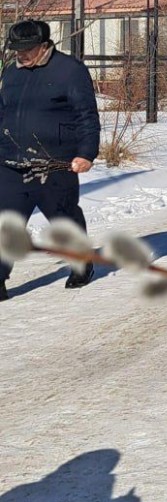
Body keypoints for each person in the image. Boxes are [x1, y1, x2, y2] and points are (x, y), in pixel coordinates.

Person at [0, 20, 101, 301]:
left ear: (44, 46)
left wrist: (86, 153)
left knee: (64, 218)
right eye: (17, 49)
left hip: (54, 163)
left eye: (26, 49)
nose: (20, 55)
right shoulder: (11, 72)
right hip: (11, 162)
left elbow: (86, 116)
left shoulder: (70, 71)